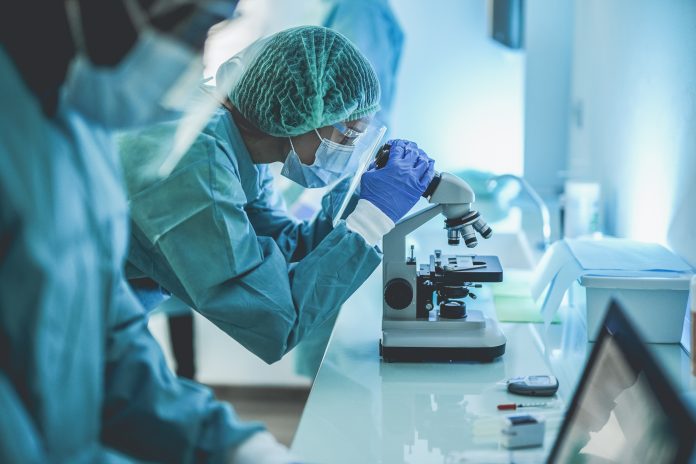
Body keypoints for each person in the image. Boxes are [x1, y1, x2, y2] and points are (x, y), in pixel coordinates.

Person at [0, 0, 293, 461]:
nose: (195, 59)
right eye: (194, 29)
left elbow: (108, 332)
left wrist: (229, 445)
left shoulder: (79, 119)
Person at [120, 25, 435, 365]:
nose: (348, 151)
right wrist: (372, 220)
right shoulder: (198, 160)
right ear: (305, 110)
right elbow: (269, 321)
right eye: (348, 135)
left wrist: (358, 199)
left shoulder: (238, 145)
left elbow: (281, 244)